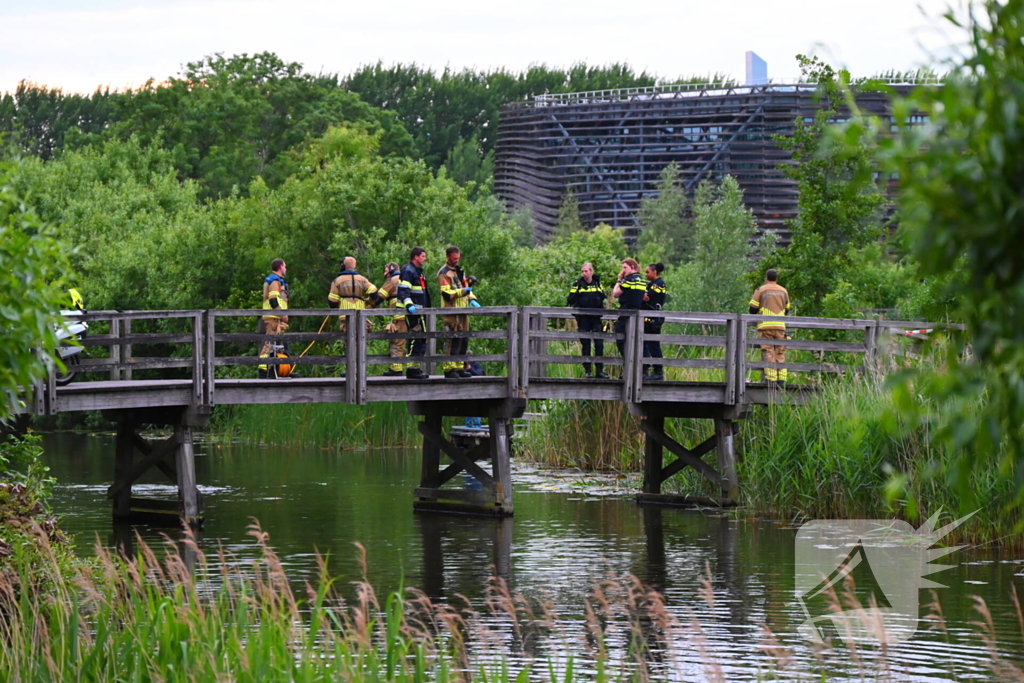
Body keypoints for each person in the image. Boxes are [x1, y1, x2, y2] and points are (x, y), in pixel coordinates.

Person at [327, 256, 381, 377]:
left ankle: (351, 370)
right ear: (355, 266)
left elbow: (332, 302)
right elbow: (374, 293)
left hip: (345, 315)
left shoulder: (338, 281)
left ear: (344, 266)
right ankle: (360, 370)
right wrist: (368, 301)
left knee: (349, 343)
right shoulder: (362, 279)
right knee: (360, 341)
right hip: (361, 315)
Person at [437, 245, 480, 380]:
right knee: (452, 340)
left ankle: (459, 366)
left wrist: (472, 298)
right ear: (448, 257)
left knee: (463, 339)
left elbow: (466, 287)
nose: (456, 260)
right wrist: (462, 292)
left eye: (458, 258)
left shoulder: (460, 271)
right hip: (451, 312)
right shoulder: (443, 273)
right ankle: (449, 369)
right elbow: (446, 294)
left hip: (463, 311)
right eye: (454, 258)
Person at [749, 268, 792, 387]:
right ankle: (782, 380)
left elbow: (752, 309)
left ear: (766, 278)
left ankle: (771, 380)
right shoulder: (784, 291)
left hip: (765, 326)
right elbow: (787, 309)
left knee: (768, 351)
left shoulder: (761, 290)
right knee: (780, 351)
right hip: (780, 326)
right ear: (776, 278)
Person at [567, 262, 608, 379]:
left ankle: (599, 371)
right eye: (583, 271)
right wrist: (578, 294)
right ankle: (588, 371)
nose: (584, 273)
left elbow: (602, 297)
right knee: (586, 344)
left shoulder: (597, 283)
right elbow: (570, 299)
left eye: (586, 271)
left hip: (596, 318)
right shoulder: (577, 284)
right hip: (583, 318)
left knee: (599, 344)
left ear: (591, 271)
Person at [397, 247, 432, 379]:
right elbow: (403, 290)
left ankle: (416, 368)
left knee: (421, 338)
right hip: (412, 311)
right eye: (423, 256)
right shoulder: (408, 270)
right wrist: (409, 304)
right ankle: (411, 369)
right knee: (415, 338)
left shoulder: (418, 272)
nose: (425, 258)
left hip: (419, 310)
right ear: (416, 257)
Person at [258, 258, 290, 379]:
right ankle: (263, 371)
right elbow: (273, 300)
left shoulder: (277, 281)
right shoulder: (275, 281)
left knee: (280, 345)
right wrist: (282, 314)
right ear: (280, 267)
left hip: (276, 318)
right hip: (273, 317)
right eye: (285, 266)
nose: (286, 269)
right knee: (270, 345)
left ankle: (281, 370)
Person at [611, 258, 647, 361]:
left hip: (626, 312)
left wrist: (619, 280)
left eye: (625, 268)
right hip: (637, 313)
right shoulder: (642, 280)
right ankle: (641, 367)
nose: (623, 271)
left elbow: (616, 293)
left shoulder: (629, 280)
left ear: (632, 267)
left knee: (621, 338)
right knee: (635, 341)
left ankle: (627, 361)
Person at [376, 261, 406, 376]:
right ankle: (411, 368)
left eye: (386, 270)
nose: (385, 273)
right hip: (411, 316)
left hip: (398, 316)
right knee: (408, 343)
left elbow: (379, 297)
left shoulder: (392, 281)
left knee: (396, 342)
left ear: (391, 270)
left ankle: (396, 369)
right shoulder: (406, 278)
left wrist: (365, 305)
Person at [642, 263, 667, 381]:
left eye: (648, 272)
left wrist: (644, 296)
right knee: (646, 344)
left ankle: (658, 371)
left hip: (654, 318)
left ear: (654, 272)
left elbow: (647, 297)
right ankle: (646, 369)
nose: (646, 274)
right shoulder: (653, 284)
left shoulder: (659, 284)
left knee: (654, 345)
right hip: (649, 318)